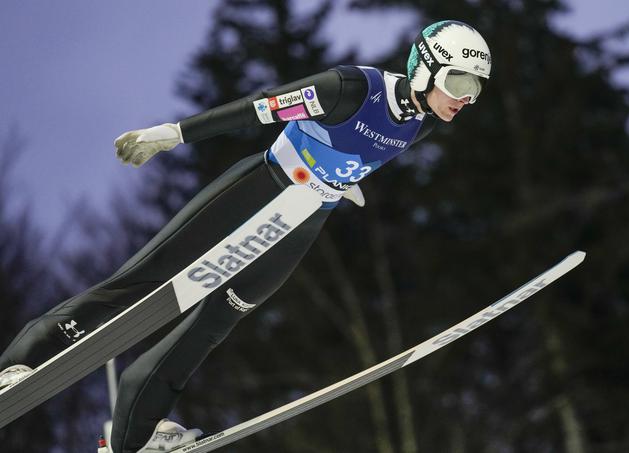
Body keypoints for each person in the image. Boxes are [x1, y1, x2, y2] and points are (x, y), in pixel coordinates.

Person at [0, 20, 491, 453]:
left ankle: (133, 436)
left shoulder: (424, 124)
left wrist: (346, 181)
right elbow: (261, 108)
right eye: (460, 82)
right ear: (426, 68)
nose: (466, 98)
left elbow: (364, 150)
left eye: (477, 90)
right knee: (144, 283)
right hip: (261, 188)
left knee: (215, 322)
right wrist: (175, 133)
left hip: (304, 219)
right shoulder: (351, 89)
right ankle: (21, 365)